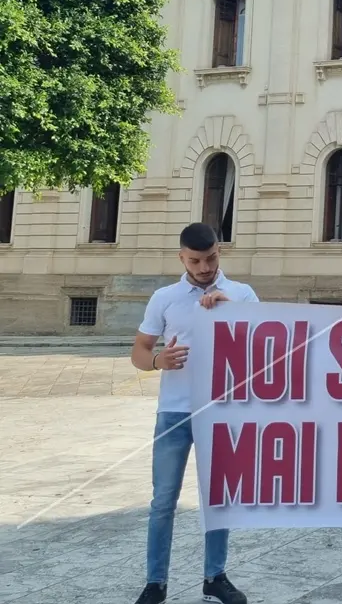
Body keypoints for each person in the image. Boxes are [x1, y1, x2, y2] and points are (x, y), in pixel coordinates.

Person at [130, 222, 259, 604]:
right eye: (196, 260)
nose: (205, 267)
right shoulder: (164, 297)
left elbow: (267, 343)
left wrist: (233, 311)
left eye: (212, 258)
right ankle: (156, 583)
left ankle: (215, 577)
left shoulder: (241, 293)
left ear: (221, 252)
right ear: (181, 258)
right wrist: (157, 361)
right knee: (162, 500)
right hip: (174, 412)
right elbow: (138, 350)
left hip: (221, 412)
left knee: (218, 500)